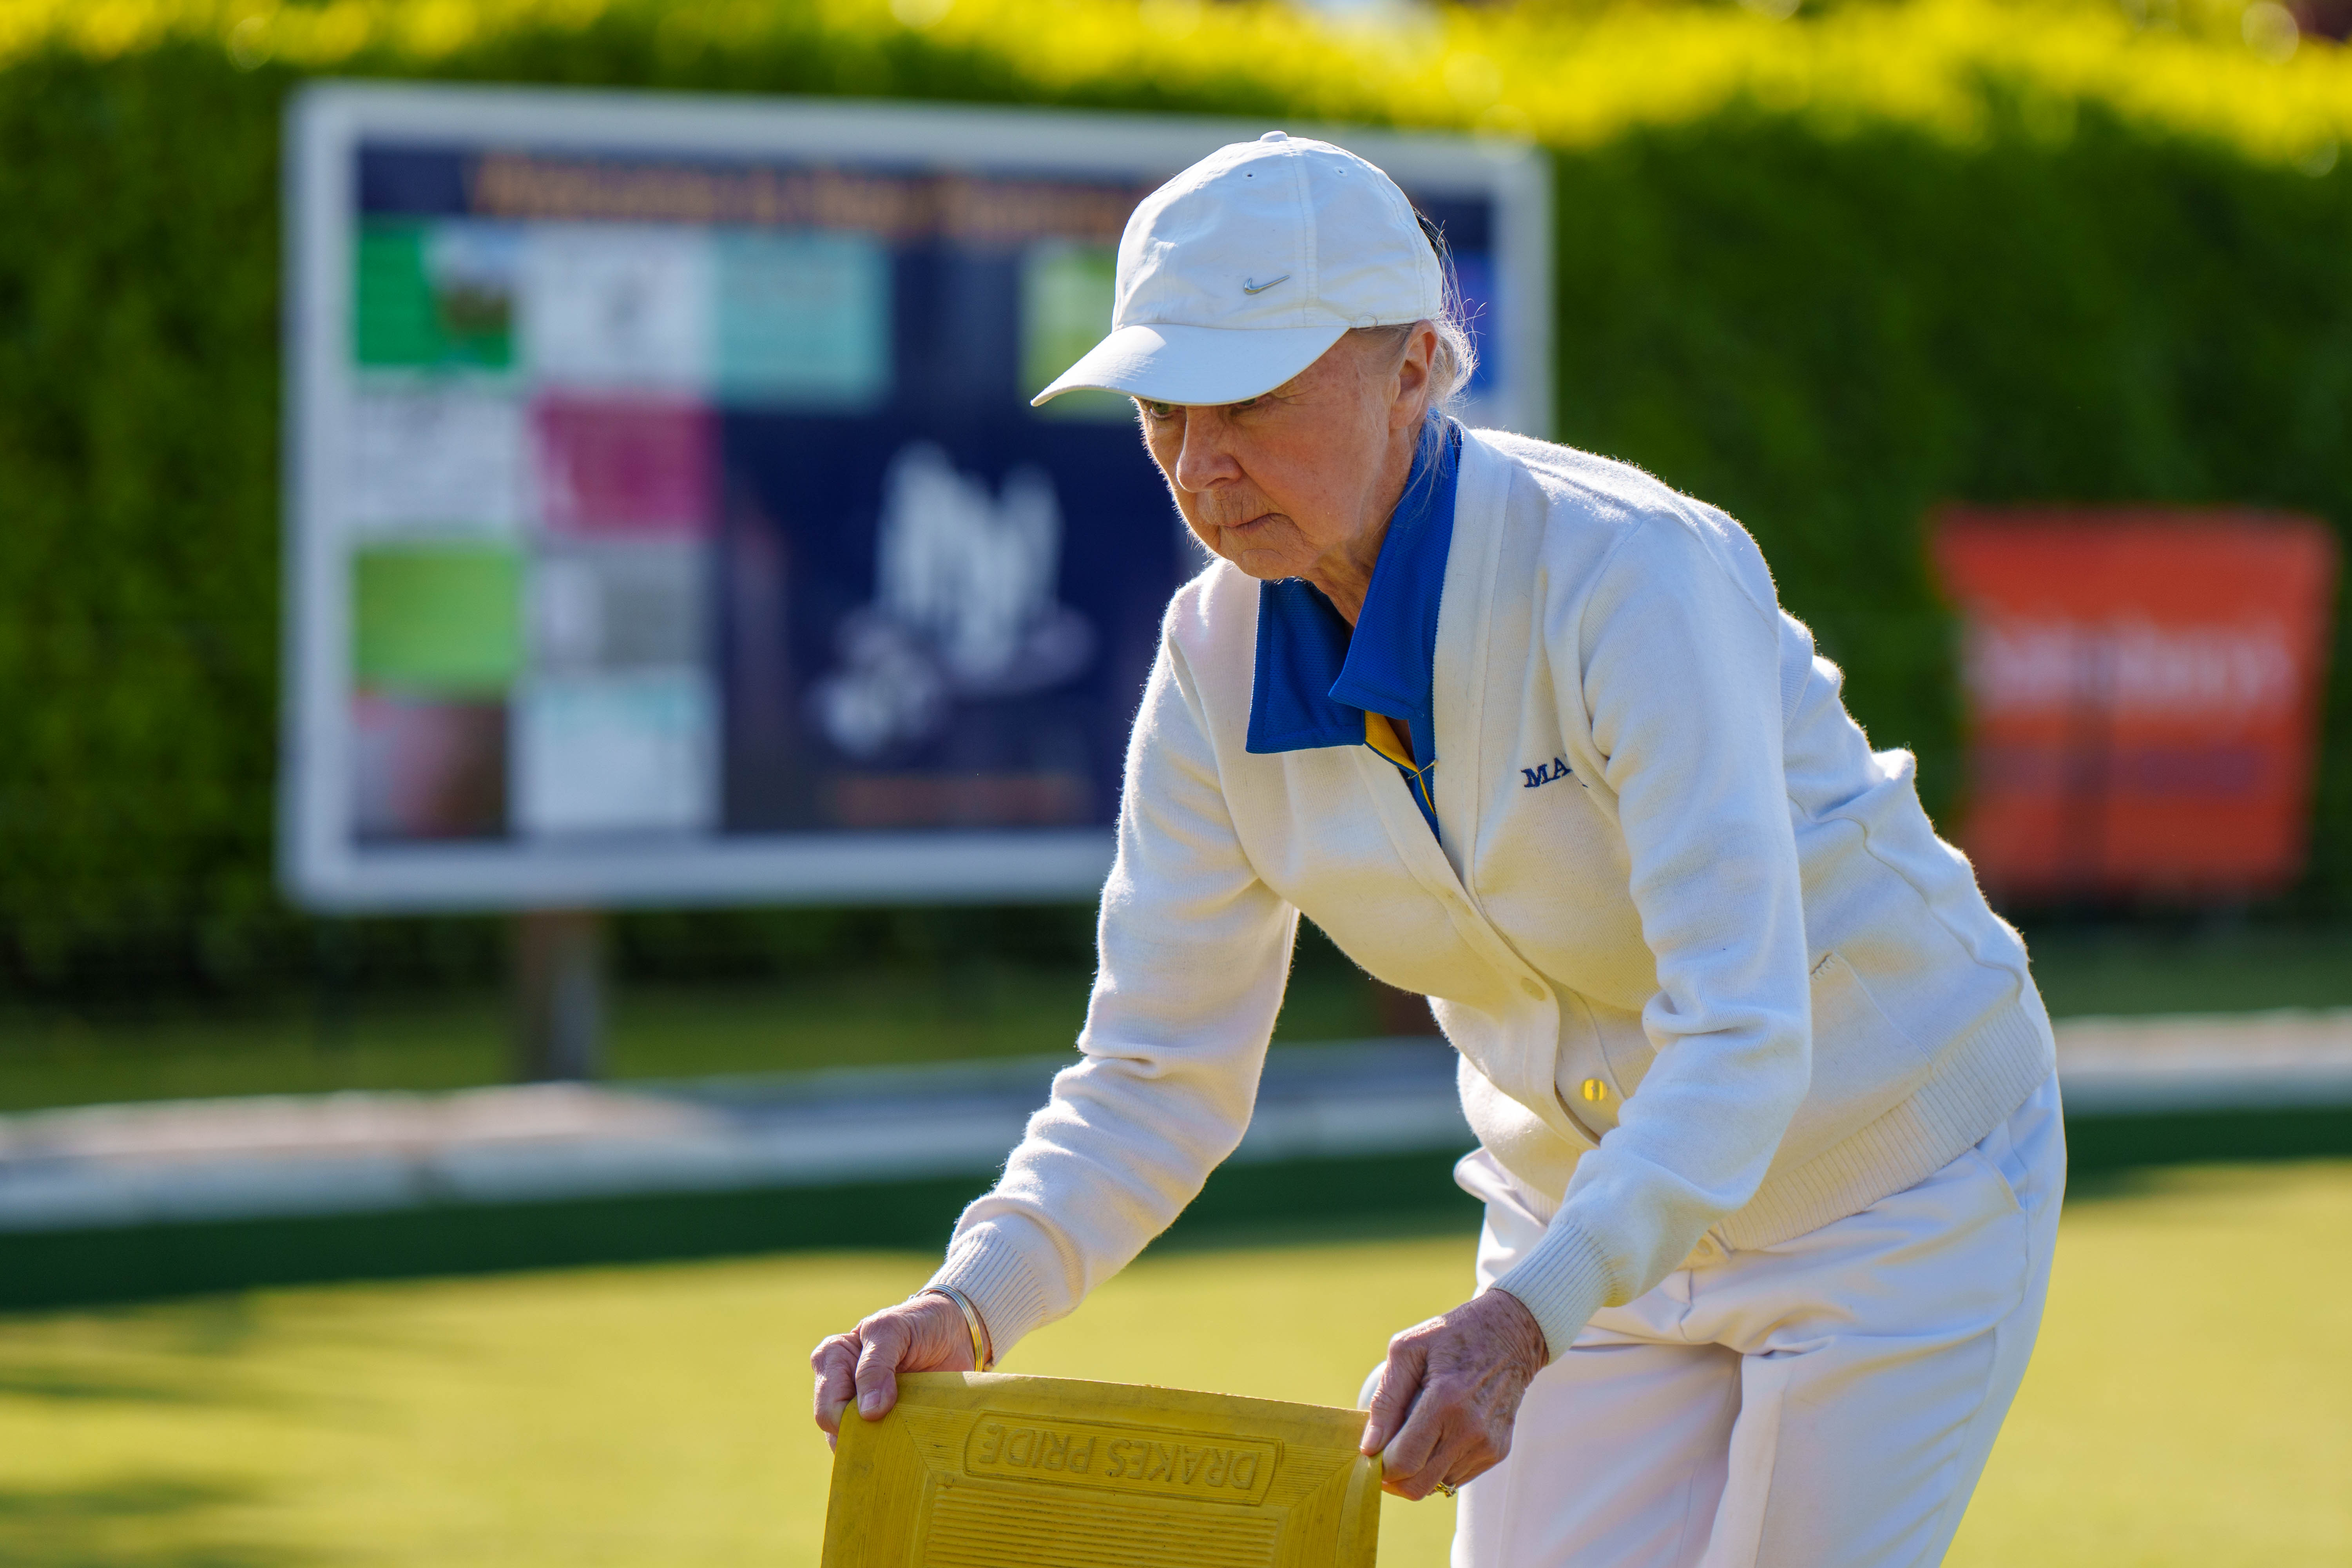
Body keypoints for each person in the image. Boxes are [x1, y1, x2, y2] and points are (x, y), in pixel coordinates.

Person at [811, 131, 2064, 1568]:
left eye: (1251, 398)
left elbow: (1739, 1025)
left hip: (1892, 1180)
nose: (1202, 466)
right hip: (1582, 1231)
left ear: (1413, 365)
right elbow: (1155, 1071)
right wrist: (971, 1300)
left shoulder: (1629, 572)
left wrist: (1521, 1319)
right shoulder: (1207, 662)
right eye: (1163, 411)